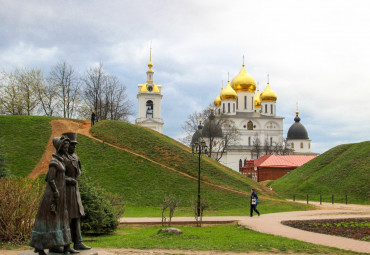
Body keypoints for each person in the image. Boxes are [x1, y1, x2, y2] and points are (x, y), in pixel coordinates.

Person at [30, 136, 78, 255]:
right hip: (52, 196)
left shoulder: (61, 160)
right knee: (50, 221)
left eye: (68, 146)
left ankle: (66, 246)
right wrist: (56, 192)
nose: (67, 149)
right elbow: (50, 179)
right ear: (60, 147)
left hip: (61, 194)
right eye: (65, 147)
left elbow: (60, 177)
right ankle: (39, 246)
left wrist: (67, 181)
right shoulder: (54, 162)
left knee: (63, 220)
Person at [62, 132, 91, 251]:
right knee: (66, 217)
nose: (74, 147)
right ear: (66, 145)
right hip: (65, 191)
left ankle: (78, 242)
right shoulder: (61, 158)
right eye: (72, 145)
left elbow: (78, 172)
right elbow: (56, 177)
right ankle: (65, 244)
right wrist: (68, 179)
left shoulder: (75, 157)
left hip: (74, 190)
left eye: (75, 145)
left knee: (76, 215)